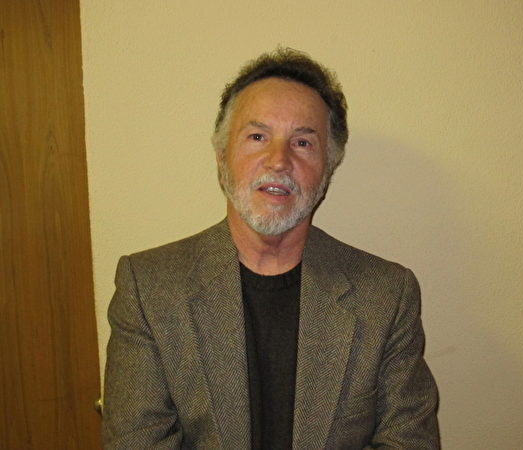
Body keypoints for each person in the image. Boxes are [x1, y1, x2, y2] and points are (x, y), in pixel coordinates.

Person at [102, 48, 440, 449]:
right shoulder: (148, 289)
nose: (278, 161)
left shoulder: (386, 296)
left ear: (327, 170)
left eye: (302, 142)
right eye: (258, 136)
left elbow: (409, 442)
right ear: (221, 158)